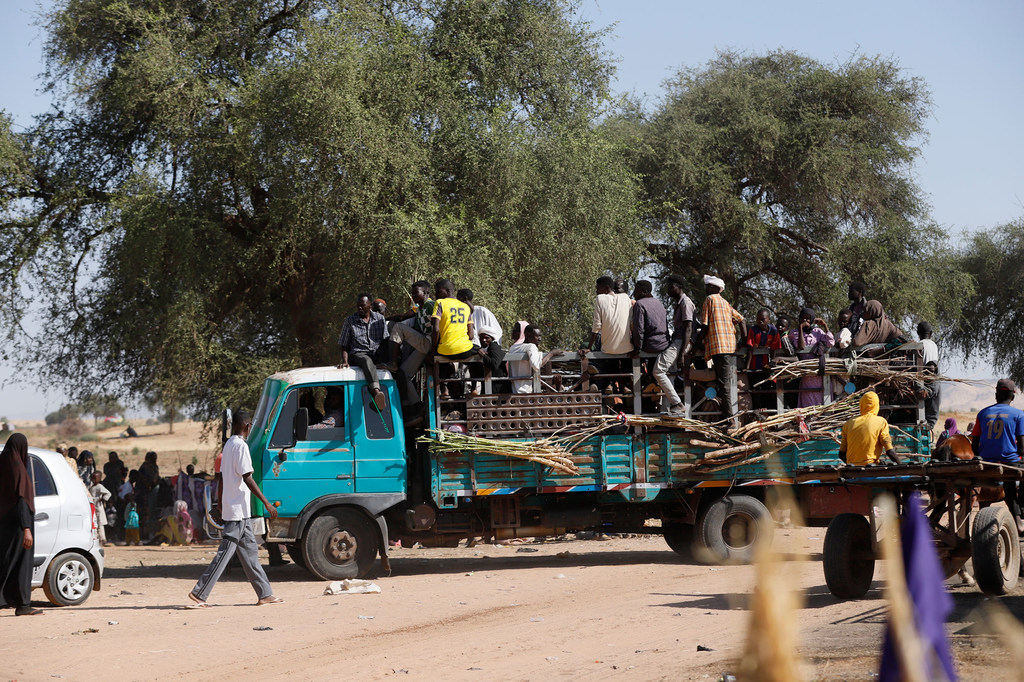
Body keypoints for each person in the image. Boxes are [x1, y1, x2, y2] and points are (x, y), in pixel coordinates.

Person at [188, 411, 283, 608]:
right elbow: (247, 477)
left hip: (238, 510)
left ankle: (265, 594)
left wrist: (220, 503)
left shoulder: (229, 445)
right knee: (224, 553)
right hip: (238, 511)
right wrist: (265, 502)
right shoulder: (241, 446)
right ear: (247, 426)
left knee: (250, 554)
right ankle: (200, 593)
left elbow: (222, 478)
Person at [971, 379, 1024, 533]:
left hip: (986, 462)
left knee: (1009, 487)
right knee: (1012, 486)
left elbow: (975, 445)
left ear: (996, 395)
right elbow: (1022, 447)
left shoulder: (983, 413)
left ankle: (1018, 518)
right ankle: (1019, 515)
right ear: (1012, 397)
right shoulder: (1019, 415)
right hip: (1010, 463)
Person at [0, 433, 41, 615]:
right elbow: (22, 499)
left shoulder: (3, 464)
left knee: (6, 562)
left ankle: (5, 600)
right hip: (18, 525)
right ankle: (23, 605)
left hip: (4, 524)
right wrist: (27, 528)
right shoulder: (18, 469)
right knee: (23, 564)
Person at [699, 275, 746, 420]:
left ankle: (729, 418)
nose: (706, 289)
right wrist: (742, 341)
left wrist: (696, 343)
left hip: (718, 347)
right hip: (730, 346)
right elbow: (742, 320)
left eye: (708, 286)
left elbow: (705, 326)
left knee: (723, 383)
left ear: (715, 288)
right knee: (725, 381)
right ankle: (727, 415)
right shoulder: (726, 303)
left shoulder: (710, 300)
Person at [580, 276, 634, 392]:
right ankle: (623, 385)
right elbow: (631, 324)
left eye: (597, 287)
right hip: (627, 348)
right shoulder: (626, 298)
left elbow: (596, 326)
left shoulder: (600, 299)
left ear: (606, 288)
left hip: (608, 349)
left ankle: (601, 382)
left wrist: (589, 347)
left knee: (601, 353)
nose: (596, 290)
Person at [387, 281, 436, 407]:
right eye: (412, 293)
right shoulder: (419, 309)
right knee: (403, 373)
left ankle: (392, 362)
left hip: (429, 343)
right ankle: (416, 404)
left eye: (416, 292)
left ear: (426, 292)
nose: (413, 295)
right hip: (424, 345)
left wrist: (433, 351)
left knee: (398, 327)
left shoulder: (431, 306)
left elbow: (438, 328)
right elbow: (402, 316)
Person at [652, 275, 695, 415]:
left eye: (671, 287)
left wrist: (682, 353)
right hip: (678, 341)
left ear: (679, 287)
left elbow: (688, 328)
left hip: (681, 342)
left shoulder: (685, 303)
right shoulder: (679, 303)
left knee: (658, 370)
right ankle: (667, 410)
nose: (668, 290)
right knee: (669, 373)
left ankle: (678, 404)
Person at [338, 292, 389, 411]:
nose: (359, 308)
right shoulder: (350, 321)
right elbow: (344, 345)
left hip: (376, 353)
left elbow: (386, 341)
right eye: (358, 305)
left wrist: (387, 359)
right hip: (358, 354)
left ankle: (379, 402)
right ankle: (377, 392)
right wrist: (345, 361)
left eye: (363, 305)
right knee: (367, 361)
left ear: (370, 305)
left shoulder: (379, 319)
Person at [432, 280, 478, 397]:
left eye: (438, 291)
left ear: (447, 291)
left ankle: (444, 389)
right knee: (477, 360)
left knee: (440, 360)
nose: (436, 294)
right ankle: (474, 389)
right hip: (464, 350)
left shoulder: (440, 303)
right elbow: (471, 335)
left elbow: (436, 330)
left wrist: (433, 349)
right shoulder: (465, 306)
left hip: (446, 350)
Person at [839, 391, 902, 465]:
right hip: (871, 468)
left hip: (852, 470)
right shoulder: (881, 422)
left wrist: (853, 465)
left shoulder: (849, 423)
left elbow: (841, 454)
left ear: (861, 404)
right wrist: (901, 465)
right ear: (876, 405)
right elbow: (890, 452)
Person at [790, 308, 835, 407]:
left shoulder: (817, 331)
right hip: (807, 373)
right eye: (803, 318)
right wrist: (801, 328)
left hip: (819, 372)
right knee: (808, 402)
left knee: (823, 401)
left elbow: (830, 342)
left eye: (808, 319)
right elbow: (801, 346)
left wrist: (825, 326)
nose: (806, 321)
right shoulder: (794, 333)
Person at [508, 325, 562, 394]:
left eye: (540, 336)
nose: (540, 339)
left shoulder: (513, 347)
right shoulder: (531, 346)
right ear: (528, 335)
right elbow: (536, 365)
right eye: (537, 336)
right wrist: (551, 353)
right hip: (526, 391)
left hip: (514, 390)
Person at [746, 308, 782, 411]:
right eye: (758, 319)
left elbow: (774, 347)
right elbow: (750, 348)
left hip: (766, 365)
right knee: (756, 389)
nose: (759, 321)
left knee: (768, 388)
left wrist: (771, 363)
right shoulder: (753, 330)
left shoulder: (774, 330)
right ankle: (757, 412)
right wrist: (747, 367)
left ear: (768, 320)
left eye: (762, 319)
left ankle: (768, 412)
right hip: (754, 365)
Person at [630, 280, 669, 355]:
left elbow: (639, 330)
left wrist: (637, 349)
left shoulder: (639, 304)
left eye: (636, 291)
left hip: (650, 345)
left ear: (644, 291)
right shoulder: (659, 303)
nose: (634, 294)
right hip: (664, 344)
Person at [916, 321, 941, 430]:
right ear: (931, 333)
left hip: (924, 380)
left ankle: (925, 427)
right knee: (932, 411)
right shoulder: (934, 345)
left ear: (918, 333)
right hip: (934, 379)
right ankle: (929, 428)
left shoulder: (919, 345)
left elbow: (918, 368)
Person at [468, 324, 507, 394]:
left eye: (487, 338)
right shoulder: (483, 349)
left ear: (492, 338)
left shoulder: (494, 347)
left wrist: (483, 356)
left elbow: (494, 364)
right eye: (481, 338)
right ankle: (473, 388)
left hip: (498, 388)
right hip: (487, 387)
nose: (483, 340)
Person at [88, 472, 113, 547]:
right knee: (95, 523)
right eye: (92, 478)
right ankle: (97, 539)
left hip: (98, 506)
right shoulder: (92, 487)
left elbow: (108, 493)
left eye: (95, 478)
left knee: (100, 523)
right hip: (93, 506)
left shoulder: (99, 486)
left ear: (99, 479)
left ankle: (103, 539)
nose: (93, 480)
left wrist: (103, 499)